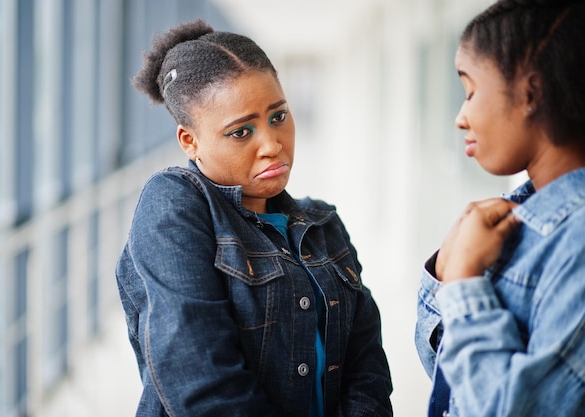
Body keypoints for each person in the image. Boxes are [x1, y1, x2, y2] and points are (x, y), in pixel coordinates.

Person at [116, 19, 393, 417]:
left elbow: (367, 364)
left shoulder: (324, 225)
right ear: (189, 141)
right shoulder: (174, 204)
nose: (271, 144)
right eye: (241, 132)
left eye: (277, 117)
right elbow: (202, 383)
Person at [415, 0, 585, 416]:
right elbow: (450, 384)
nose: (459, 117)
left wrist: (464, 283)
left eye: (470, 91)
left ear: (531, 92)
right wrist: (446, 273)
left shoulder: (578, 239)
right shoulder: (516, 218)